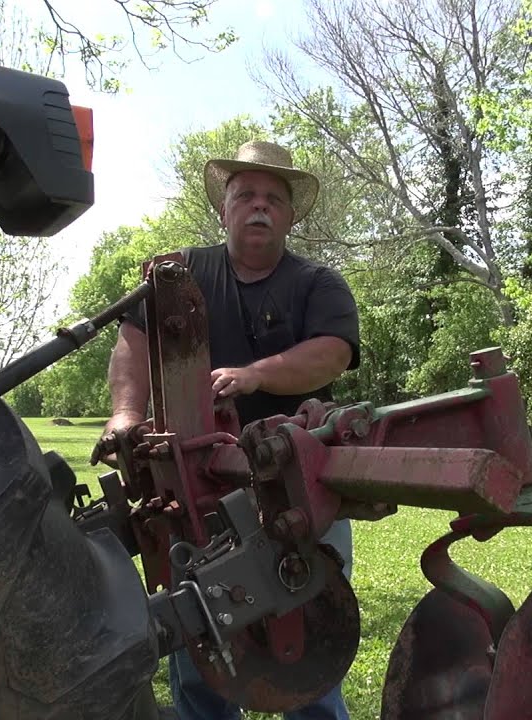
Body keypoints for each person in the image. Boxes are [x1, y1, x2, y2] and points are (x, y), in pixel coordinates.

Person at [103, 140, 360, 720]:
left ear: (292, 217)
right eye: (245, 195)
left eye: (274, 198)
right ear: (223, 209)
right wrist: (124, 415)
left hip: (297, 490)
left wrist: (254, 375)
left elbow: (333, 353)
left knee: (310, 637)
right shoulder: (179, 275)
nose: (259, 207)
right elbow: (133, 341)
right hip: (197, 497)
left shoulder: (318, 285)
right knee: (201, 650)